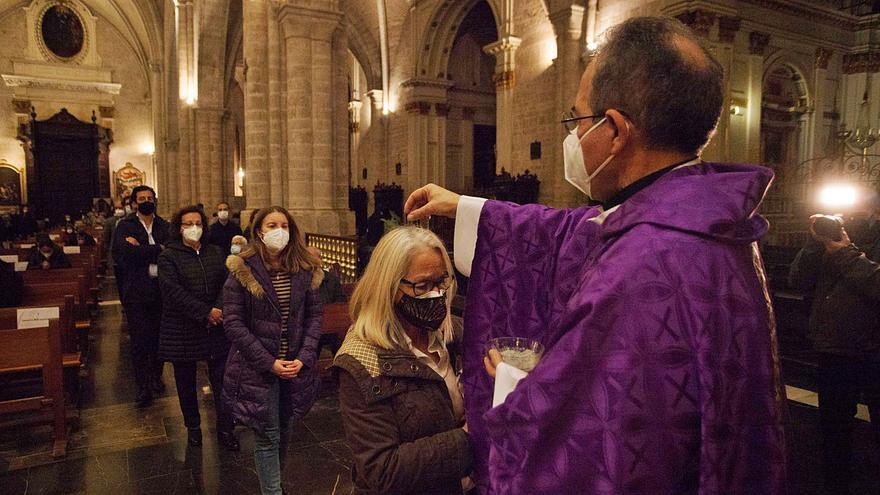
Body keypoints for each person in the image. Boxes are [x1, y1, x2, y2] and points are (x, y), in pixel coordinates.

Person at [404, 16, 786, 494]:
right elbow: (571, 231)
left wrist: (513, 384)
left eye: (577, 120)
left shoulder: (639, 270)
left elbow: (587, 453)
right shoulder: (704, 221)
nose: (573, 137)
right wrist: (466, 207)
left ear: (616, 131)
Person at [333, 227, 472, 494]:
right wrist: (468, 438)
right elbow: (382, 470)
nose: (437, 294)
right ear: (389, 287)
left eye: (442, 281)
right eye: (423, 286)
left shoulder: (452, 333)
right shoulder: (361, 363)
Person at [221, 206, 324, 495]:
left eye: (284, 225)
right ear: (259, 232)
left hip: (294, 365)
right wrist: (269, 362)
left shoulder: (305, 268)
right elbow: (233, 323)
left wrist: (303, 358)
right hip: (258, 367)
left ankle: (273, 487)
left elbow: (314, 318)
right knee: (268, 436)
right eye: (272, 225)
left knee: (286, 431)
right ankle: (273, 491)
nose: (279, 230)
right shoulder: (242, 267)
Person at [789, 210, 880, 494]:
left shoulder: (856, 243)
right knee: (834, 429)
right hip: (835, 348)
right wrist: (816, 243)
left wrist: (845, 252)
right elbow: (798, 280)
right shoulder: (834, 236)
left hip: (875, 349)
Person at [157, 206, 239, 451]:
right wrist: (205, 312)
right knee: (185, 382)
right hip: (182, 328)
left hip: (216, 328)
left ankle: (225, 429)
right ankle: (193, 428)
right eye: (187, 224)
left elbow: (228, 283)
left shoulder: (215, 252)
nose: (193, 228)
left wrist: (218, 309)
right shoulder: (169, 256)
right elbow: (172, 291)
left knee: (223, 381)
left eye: (197, 223)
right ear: (179, 228)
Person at [113, 185, 169, 407]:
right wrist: (157, 249)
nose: (146, 201)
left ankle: (156, 377)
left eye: (150, 198)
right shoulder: (125, 225)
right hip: (136, 290)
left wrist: (141, 249)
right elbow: (124, 255)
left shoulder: (164, 225)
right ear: (135, 203)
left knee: (159, 338)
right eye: (142, 198)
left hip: (161, 290)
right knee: (139, 340)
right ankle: (143, 385)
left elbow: (172, 250)